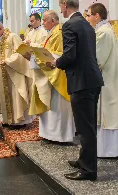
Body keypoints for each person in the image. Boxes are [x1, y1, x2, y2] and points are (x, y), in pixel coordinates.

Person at [50, 0, 104, 181]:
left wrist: (55, 62)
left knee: (85, 127)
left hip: (81, 82)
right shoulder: (86, 24)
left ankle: (88, 170)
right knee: (87, 125)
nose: (60, 9)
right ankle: (85, 160)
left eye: (60, 5)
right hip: (92, 80)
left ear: (65, 5)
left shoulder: (69, 25)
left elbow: (70, 56)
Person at [86, 3, 118, 157]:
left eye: (89, 15)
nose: (87, 18)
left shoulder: (103, 32)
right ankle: (104, 149)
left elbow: (97, 60)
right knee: (107, 112)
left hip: (106, 80)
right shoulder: (105, 30)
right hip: (108, 78)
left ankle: (108, 151)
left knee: (107, 113)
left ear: (97, 16)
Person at [29, 10, 75, 143]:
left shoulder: (59, 33)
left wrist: (37, 54)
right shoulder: (52, 33)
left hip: (58, 76)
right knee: (51, 106)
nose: (42, 23)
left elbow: (61, 55)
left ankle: (60, 136)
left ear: (53, 21)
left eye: (44, 20)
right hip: (50, 75)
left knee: (58, 107)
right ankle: (50, 134)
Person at [0, 20, 33, 126]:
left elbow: (20, 53)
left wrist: (8, 61)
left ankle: (20, 121)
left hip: (15, 72)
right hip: (4, 74)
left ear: (0, 28)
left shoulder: (13, 37)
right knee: (6, 96)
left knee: (16, 95)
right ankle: (9, 120)